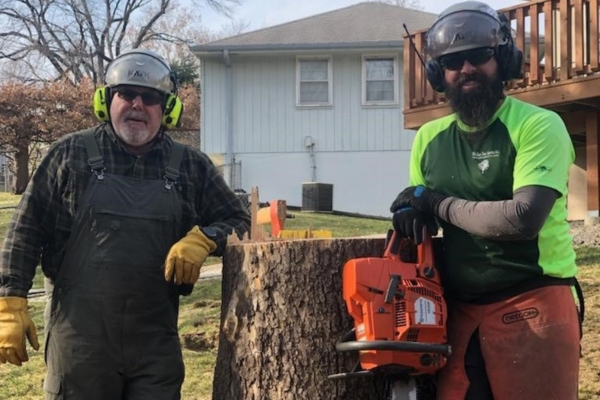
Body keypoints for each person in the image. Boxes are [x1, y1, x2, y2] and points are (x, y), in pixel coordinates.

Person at [0, 48, 250, 399]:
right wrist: (10, 302)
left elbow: (241, 222)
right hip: (80, 344)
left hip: (155, 345)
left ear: (168, 110)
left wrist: (206, 239)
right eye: (126, 94)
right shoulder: (68, 155)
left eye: (150, 98)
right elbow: (25, 231)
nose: (137, 104)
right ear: (106, 101)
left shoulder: (191, 166)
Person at [390, 2, 583, 399]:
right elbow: (424, 214)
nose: (466, 69)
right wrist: (412, 214)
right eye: (452, 62)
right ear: (437, 74)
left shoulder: (537, 125)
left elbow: (522, 219)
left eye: (479, 56)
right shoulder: (428, 139)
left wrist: (435, 202)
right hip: (459, 312)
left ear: (505, 60)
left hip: (534, 299)